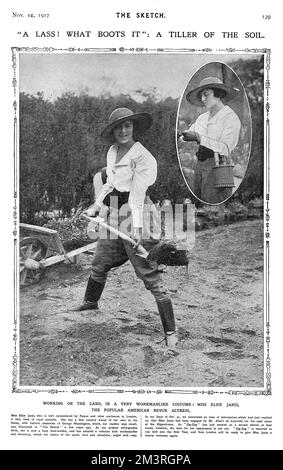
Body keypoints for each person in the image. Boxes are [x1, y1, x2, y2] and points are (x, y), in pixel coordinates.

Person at [75, 107, 178, 350]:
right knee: (100, 259)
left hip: (138, 212)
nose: (123, 131)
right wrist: (96, 205)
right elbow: (110, 183)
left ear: (134, 128)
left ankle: (171, 332)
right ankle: (91, 302)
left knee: (147, 272)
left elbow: (138, 195)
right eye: (118, 127)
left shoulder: (143, 157)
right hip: (115, 211)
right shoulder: (113, 151)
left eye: (128, 126)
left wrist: (137, 228)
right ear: (112, 131)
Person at [180, 76, 241, 204]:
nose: (202, 99)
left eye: (206, 95)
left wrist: (199, 138)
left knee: (214, 204)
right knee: (199, 201)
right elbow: (187, 134)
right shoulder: (203, 118)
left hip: (220, 166)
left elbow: (225, 148)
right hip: (201, 165)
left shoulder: (230, 117)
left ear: (218, 93)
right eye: (201, 96)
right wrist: (180, 135)